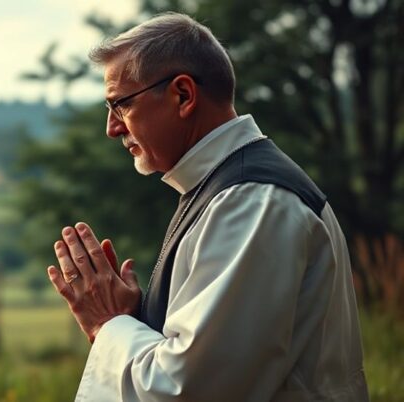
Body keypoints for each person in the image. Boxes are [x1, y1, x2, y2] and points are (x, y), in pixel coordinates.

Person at [46, 12, 368, 401]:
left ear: (183, 95)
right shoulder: (227, 191)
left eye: (121, 105)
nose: (112, 128)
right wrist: (139, 322)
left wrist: (109, 325)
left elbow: (192, 389)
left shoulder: (251, 202)